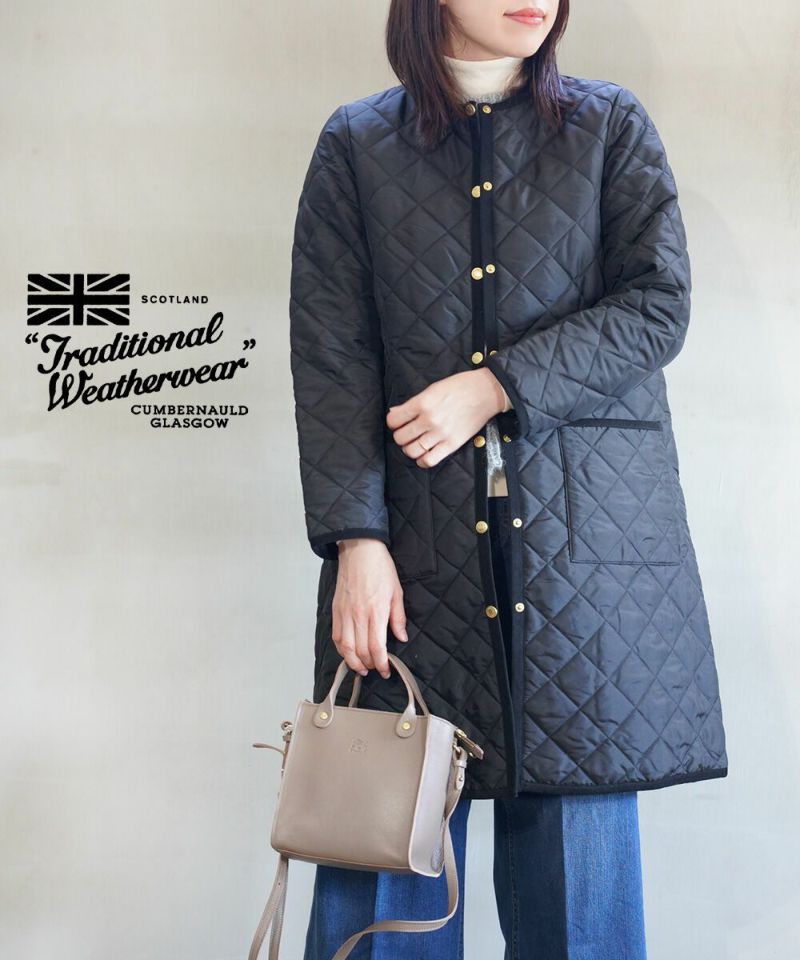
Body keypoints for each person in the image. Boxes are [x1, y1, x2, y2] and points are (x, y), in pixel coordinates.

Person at [288, 1, 728, 957]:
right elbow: (332, 359)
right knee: (381, 888)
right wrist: (356, 541)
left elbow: (658, 304)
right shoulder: (356, 146)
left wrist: (495, 387)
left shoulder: (609, 125)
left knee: (580, 918)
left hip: (584, 567)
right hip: (413, 557)